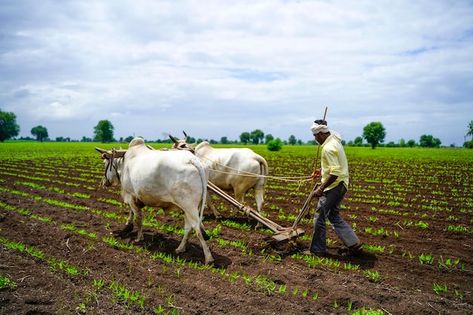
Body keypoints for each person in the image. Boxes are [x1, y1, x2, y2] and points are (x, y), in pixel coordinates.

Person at [307, 119, 362, 256]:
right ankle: (353, 243)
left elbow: (335, 173)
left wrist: (320, 189)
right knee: (333, 215)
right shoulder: (334, 139)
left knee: (319, 216)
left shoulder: (328, 148)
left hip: (335, 185)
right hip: (342, 183)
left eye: (315, 136)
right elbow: (333, 166)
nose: (315, 139)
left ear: (320, 134)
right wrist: (322, 170)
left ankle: (318, 250)